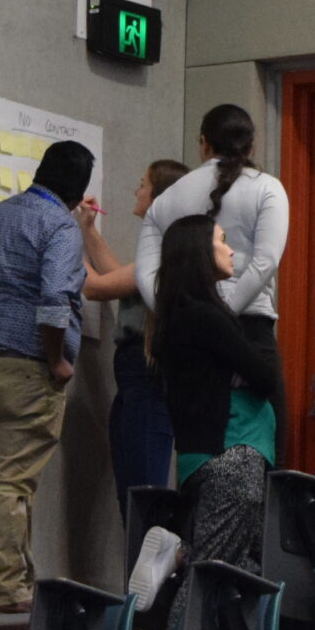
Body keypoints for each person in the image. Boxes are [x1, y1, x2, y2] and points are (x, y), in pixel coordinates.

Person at [0, 139, 94, 613]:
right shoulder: (60, 225)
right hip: (26, 368)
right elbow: (54, 300)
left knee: (7, 480)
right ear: (80, 192)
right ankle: (6, 593)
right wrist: (56, 360)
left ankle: (20, 584)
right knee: (11, 483)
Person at [137, 213, 281, 607]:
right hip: (233, 454)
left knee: (243, 572)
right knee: (208, 580)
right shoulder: (207, 317)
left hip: (201, 457)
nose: (231, 250)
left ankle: (180, 553)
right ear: (199, 252)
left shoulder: (172, 320)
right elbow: (265, 376)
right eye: (221, 240)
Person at [135, 103, 291, 439]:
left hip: (184, 335)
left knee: (197, 435)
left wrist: (174, 313)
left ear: (203, 143)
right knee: (264, 439)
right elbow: (265, 261)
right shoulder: (267, 188)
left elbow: (145, 273)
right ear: (251, 146)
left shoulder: (168, 198)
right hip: (249, 328)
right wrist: (224, 314)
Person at [78, 158, 188, 516]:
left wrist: (61, 237)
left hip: (146, 373)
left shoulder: (169, 252)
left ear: (159, 198)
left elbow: (96, 287)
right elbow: (118, 276)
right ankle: (140, 552)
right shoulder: (156, 249)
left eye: (142, 184)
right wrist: (87, 231)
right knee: (132, 493)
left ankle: (149, 552)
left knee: (144, 493)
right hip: (132, 374)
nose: (135, 191)